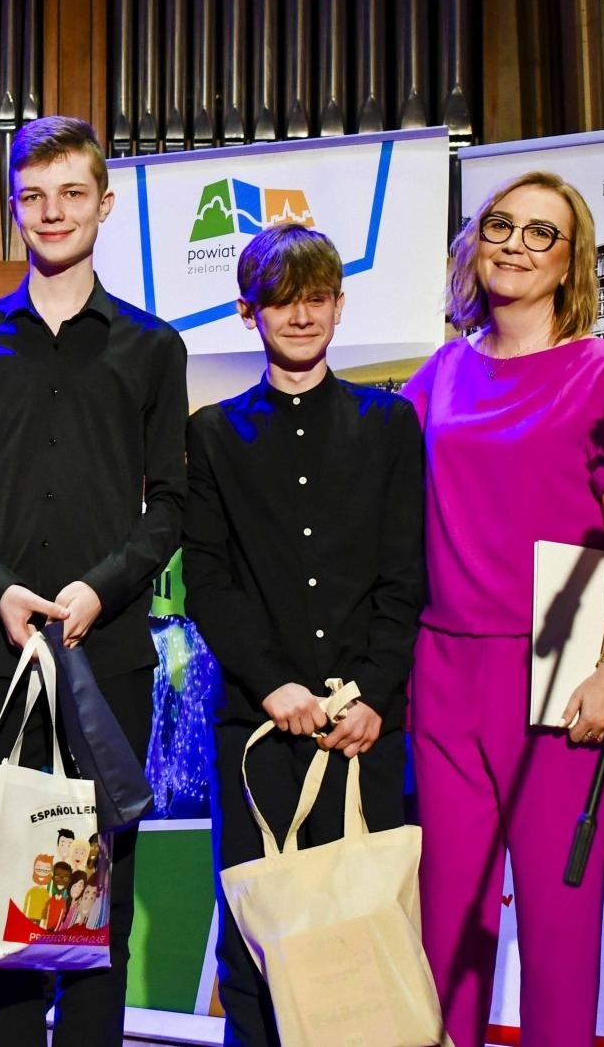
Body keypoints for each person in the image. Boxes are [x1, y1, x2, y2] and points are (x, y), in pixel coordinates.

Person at [0, 114, 187, 1044]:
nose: (52, 211)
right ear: (14, 208)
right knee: (5, 901)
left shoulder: (151, 348)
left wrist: (101, 588)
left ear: (105, 204)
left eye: (72, 193)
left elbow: (172, 504)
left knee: (94, 903)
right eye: (33, 196)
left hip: (105, 658)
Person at [401, 171, 604, 1047]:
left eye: (541, 233)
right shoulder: (441, 370)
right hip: (444, 668)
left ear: (569, 263)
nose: (514, 243)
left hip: (561, 656)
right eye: (501, 224)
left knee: (558, 926)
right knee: (446, 932)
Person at [182, 223, 424, 1045]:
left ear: (339, 305)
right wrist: (274, 682)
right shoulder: (212, 433)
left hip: (367, 730)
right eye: (282, 301)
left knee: (363, 935)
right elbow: (208, 577)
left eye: (316, 298)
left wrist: (375, 695)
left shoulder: (390, 424)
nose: (301, 316)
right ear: (251, 312)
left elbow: (405, 573)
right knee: (256, 943)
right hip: (257, 726)